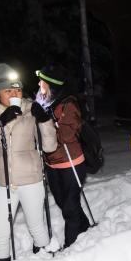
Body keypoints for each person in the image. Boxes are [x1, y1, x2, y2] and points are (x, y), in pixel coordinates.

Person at [0, 63, 58, 261]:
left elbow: (50, 147)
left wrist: (45, 119)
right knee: (0, 228)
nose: (14, 94)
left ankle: (46, 259)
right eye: (8, 90)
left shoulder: (31, 109)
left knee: (37, 224)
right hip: (2, 180)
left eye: (17, 90)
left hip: (31, 177)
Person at [32, 65, 90, 248]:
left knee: (70, 206)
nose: (39, 84)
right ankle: (84, 225)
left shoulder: (68, 103)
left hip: (71, 162)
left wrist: (46, 118)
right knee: (62, 202)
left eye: (43, 82)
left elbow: (67, 136)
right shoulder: (41, 102)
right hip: (52, 164)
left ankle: (71, 244)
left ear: (51, 85)